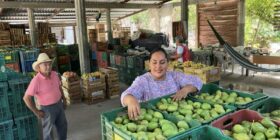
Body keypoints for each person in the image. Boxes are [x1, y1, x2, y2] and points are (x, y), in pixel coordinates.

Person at [121, 47, 202, 120]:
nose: (158, 66)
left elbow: (197, 80)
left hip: (177, 118)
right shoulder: (143, 81)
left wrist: (186, 89)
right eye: (154, 62)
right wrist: (131, 100)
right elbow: (126, 94)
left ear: (167, 63)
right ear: (149, 64)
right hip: (153, 120)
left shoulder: (174, 76)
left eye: (162, 62)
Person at [23, 53, 68, 140]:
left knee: (63, 126)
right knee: (48, 132)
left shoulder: (55, 74)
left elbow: (59, 87)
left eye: (49, 64)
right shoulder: (36, 80)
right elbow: (26, 98)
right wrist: (36, 111)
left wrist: (64, 99)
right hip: (47, 109)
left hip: (59, 104)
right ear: (39, 67)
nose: (48, 66)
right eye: (45, 64)